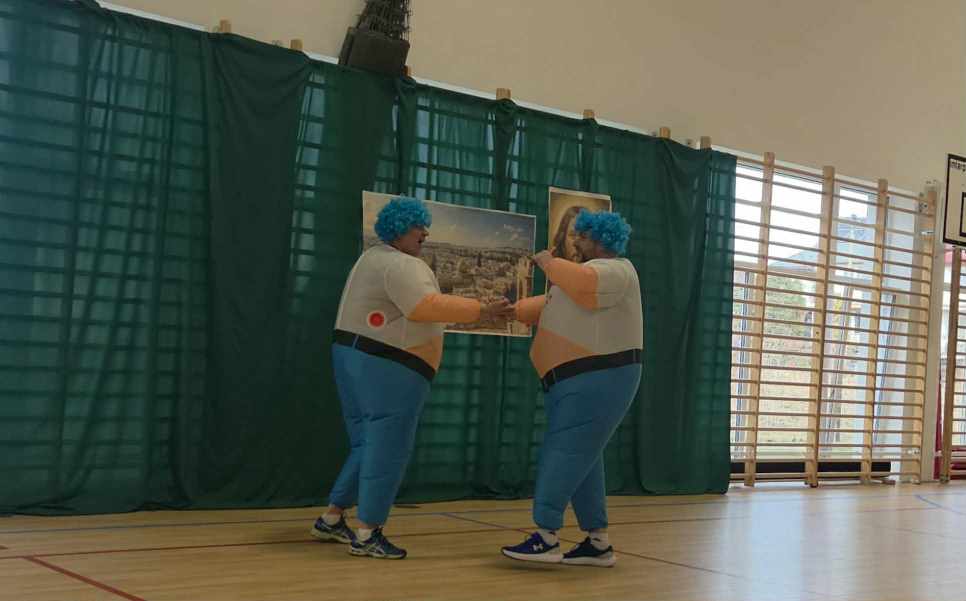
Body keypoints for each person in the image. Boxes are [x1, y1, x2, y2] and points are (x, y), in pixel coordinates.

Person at [311, 196, 513, 560]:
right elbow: (424, 306)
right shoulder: (403, 264)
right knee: (388, 448)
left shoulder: (371, 258)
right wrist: (483, 308)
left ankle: (332, 517)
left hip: (352, 357)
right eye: (419, 226)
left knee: (366, 445)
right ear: (400, 229)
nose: (425, 233)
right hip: (389, 366)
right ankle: (368, 533)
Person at [501, 209, 642, 568]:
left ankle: (546, 536)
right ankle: (597, 543)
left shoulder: (615, 271)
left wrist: (548, 262)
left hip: (597, 376)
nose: (576, 242)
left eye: (583, 236)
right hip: (574, 381)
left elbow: (583, 284)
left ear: (602, 240)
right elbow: (548, 304)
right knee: (583, 459)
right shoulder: (580, 279)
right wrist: (511, 309)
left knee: (563, 452)